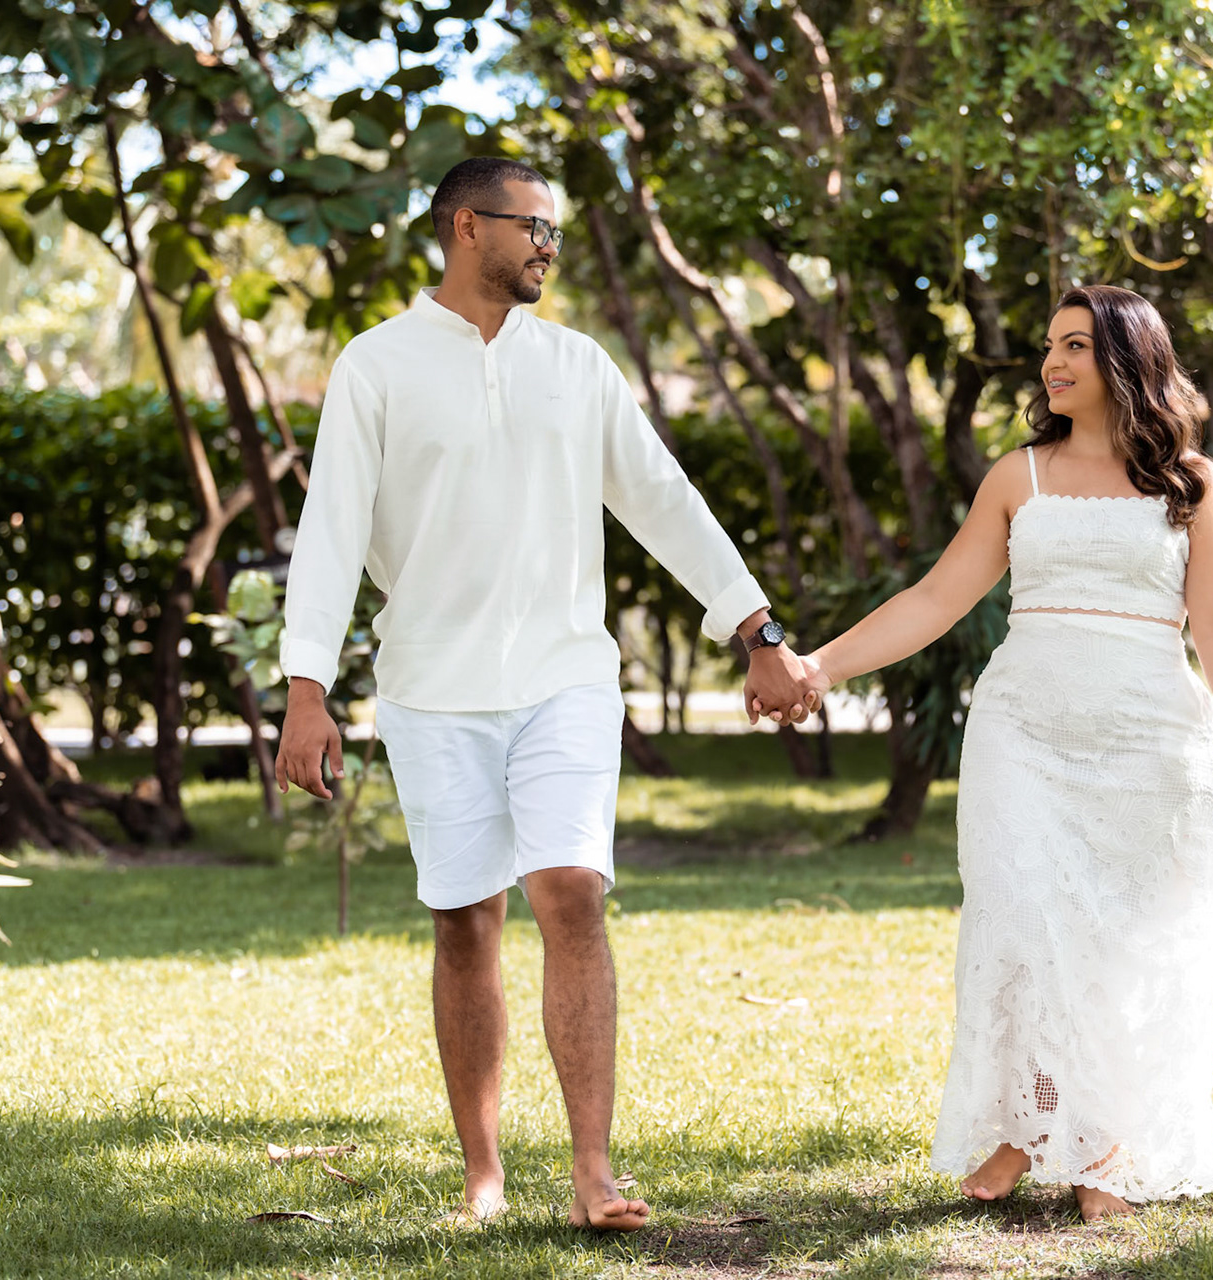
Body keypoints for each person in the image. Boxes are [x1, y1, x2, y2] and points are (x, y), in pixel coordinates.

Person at [273, 157, 818, 1232]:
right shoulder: (376, 366)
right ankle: (483, 1171)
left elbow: (663, 499)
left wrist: (757, 627)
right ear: (467, 226)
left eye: (557, 233)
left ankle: (594, 1170)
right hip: (431, 686)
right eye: (535, 228)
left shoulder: (578, 367)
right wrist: (306, 688)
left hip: (567, 675)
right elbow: (330, 531)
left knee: (570, 889)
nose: (549, 249)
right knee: (466, 919)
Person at [787, 284, 1213, 1221]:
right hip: (1025, 735)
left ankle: (1106, 1149)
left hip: (1146, 740)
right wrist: (820, 665)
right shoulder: (1020, 477)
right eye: (1049, 346)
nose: (1051, 364)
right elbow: (937, 600)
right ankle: (1025, 1124)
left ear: (1127, 362)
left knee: (1127, 939)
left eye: (1075, 348)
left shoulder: (1192, 483)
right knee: (1020, 923)